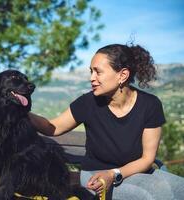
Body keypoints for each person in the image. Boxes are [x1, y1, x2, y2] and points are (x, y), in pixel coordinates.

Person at [29, 44, 184, 200]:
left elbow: (147, 159)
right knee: (149, 196)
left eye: (98, 72)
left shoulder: (150, 104)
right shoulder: (88, 103)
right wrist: (22, 112)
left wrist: (114, 173)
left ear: (122, 75)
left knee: (180, 189)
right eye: (91, 71)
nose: (92, 78)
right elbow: (53, 128)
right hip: (96, 176)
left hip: (134, 172)